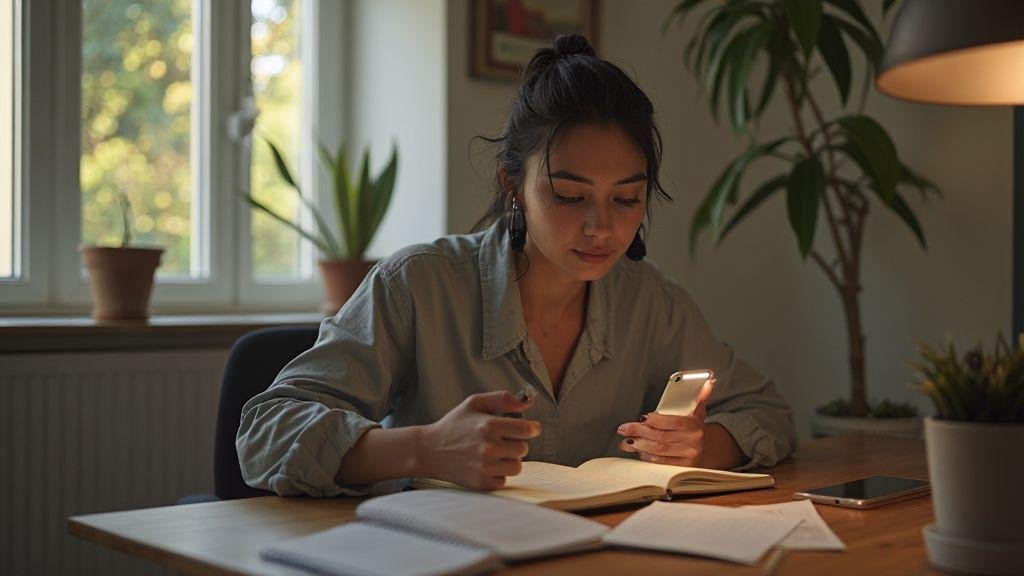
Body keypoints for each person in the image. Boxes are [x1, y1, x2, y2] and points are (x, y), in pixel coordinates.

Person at [236, 34, 797, 497]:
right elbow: (265, 431)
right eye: (570, 196)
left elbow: (767, 410)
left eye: (627, 199)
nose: (602, 227)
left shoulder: (654, 303)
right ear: (515, 187)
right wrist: (423, 447)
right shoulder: (418, 284)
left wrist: (704, 444)